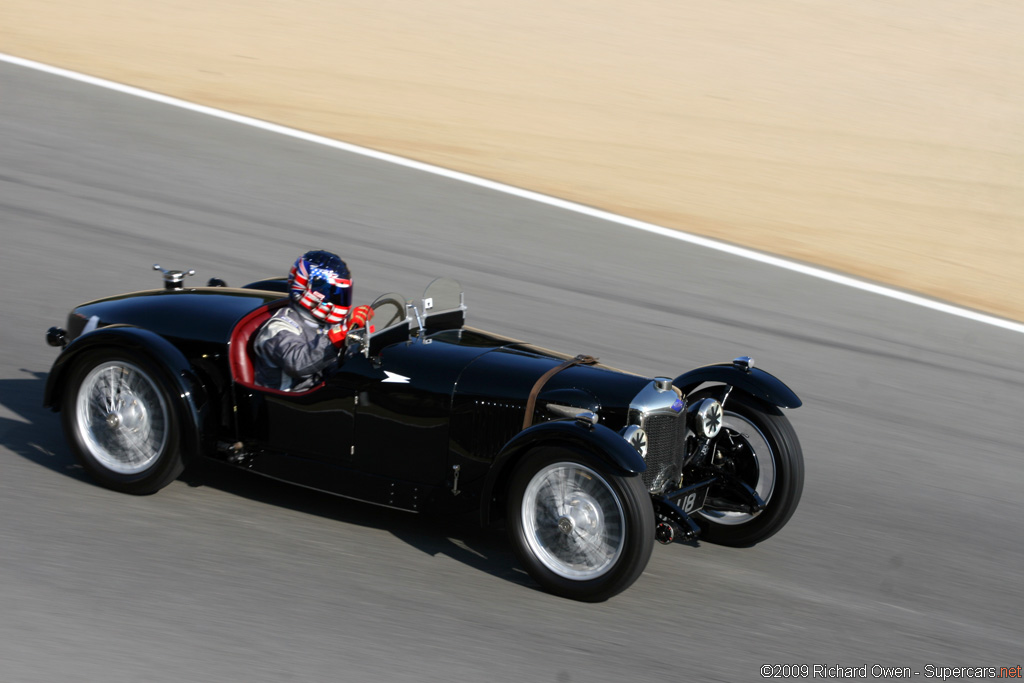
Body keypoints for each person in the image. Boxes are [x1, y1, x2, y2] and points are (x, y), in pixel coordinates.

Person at [252, 249, 374, 391]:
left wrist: (362, 339)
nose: (338, 297)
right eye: (333, 292)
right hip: (287, 403)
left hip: (323, 394)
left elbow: (341, 362)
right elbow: (298, 363)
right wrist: (338, 338)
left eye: (341, 293)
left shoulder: (330, 323)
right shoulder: (278, 328)